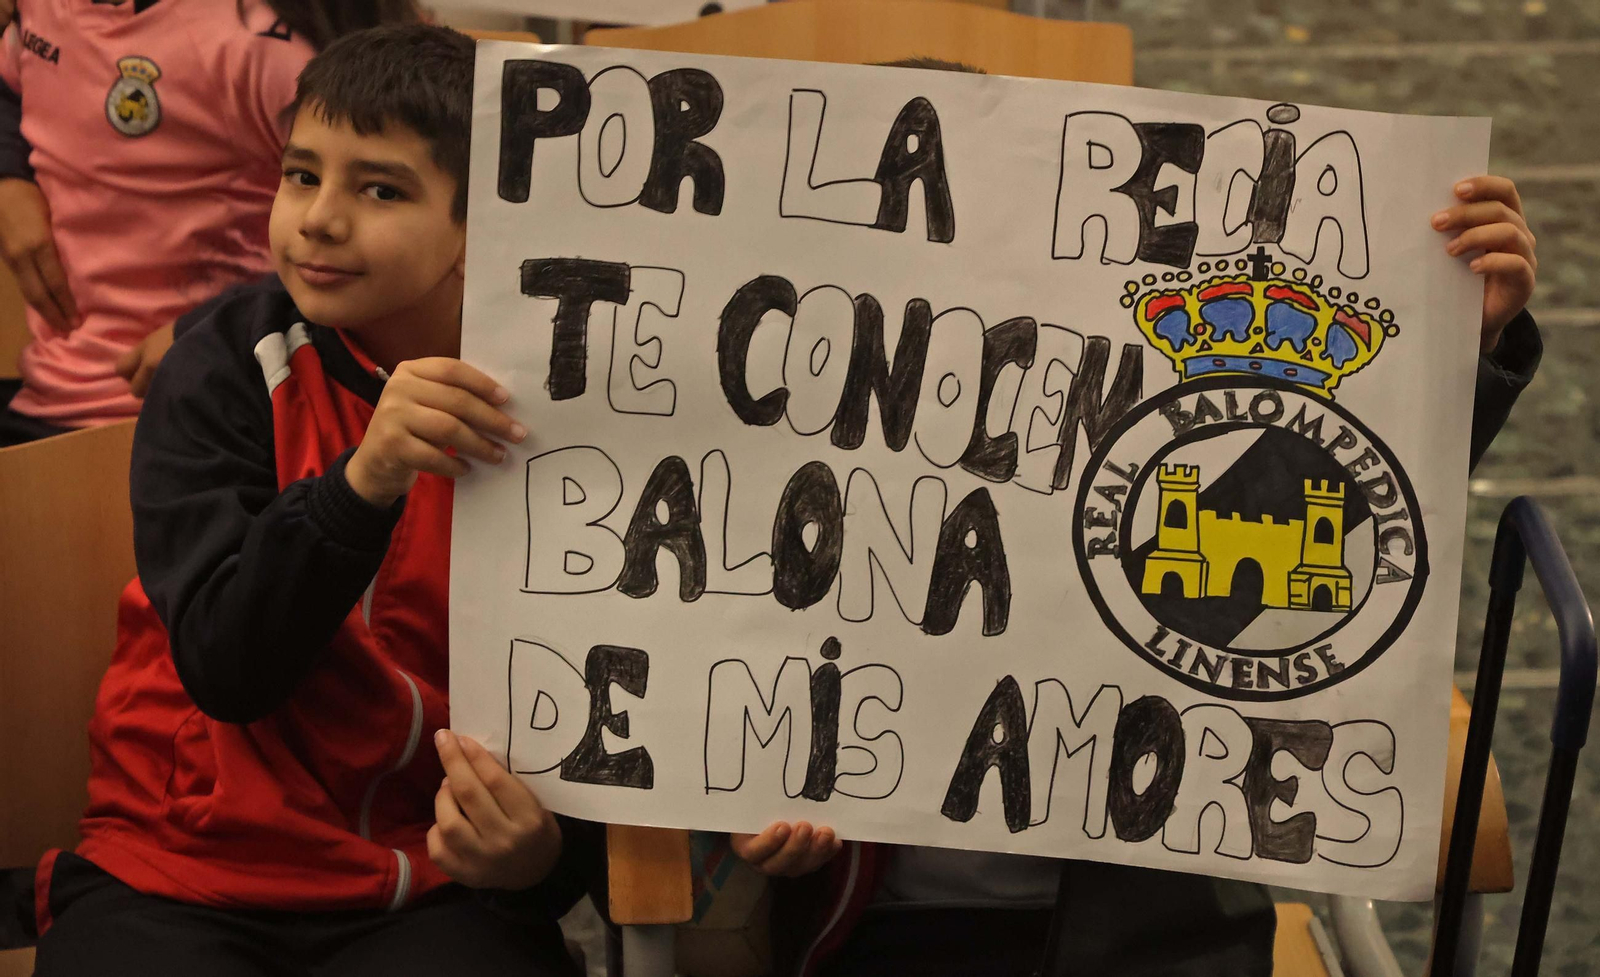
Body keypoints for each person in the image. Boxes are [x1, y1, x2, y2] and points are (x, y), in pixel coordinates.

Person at [727, 60, 1544, 977]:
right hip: (870, 933)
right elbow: (676, 642)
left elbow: (1325, 498)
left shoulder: (1129, 411)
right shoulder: (760, 439)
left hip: (1153, 925)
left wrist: (1448, 340)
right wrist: (732, 823)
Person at [29, 25, 597, 977]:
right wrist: (362, 480)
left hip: (430, 887)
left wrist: (544, 861)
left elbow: (612, 691)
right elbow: (226, 665)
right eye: (301, 175)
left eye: (380, 189)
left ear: (485, 223)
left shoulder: (569, 406)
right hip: (177, 873)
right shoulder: (220, 368)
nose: (319, 219)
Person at [0, 0, 417, 447]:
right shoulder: (37, 10)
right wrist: (8, 175)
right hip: (43, 394)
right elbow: (10, 83)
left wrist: (214, 324)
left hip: (186, 419)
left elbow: (387, 234)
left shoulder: (255, 47)